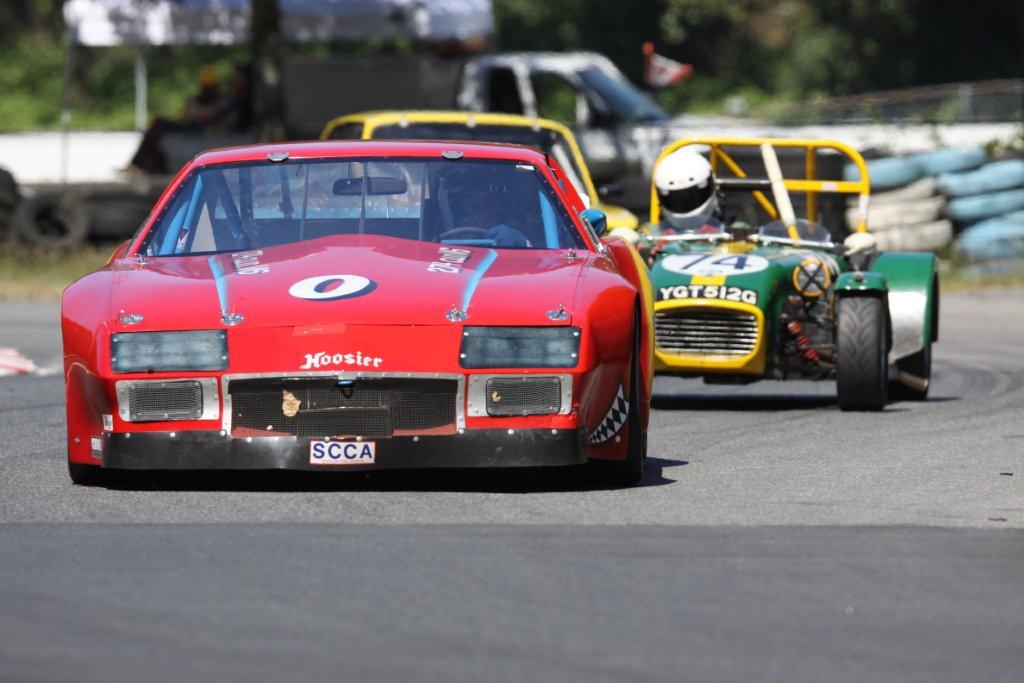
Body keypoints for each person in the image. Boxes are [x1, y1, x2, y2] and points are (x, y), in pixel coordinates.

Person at [127, 65, 253, 175]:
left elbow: (208, 117)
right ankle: (141, 164)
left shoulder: (233, 97)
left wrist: (197, 116)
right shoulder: (226, 96)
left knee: (158, 124)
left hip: (196, 128)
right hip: (193, 125)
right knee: (157, 125)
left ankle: (137, 163)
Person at [652, 148, 724, 235]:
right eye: (677, 199)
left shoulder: (726, 231)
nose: (684, 202)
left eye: (692, 196)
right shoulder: (653, 234)